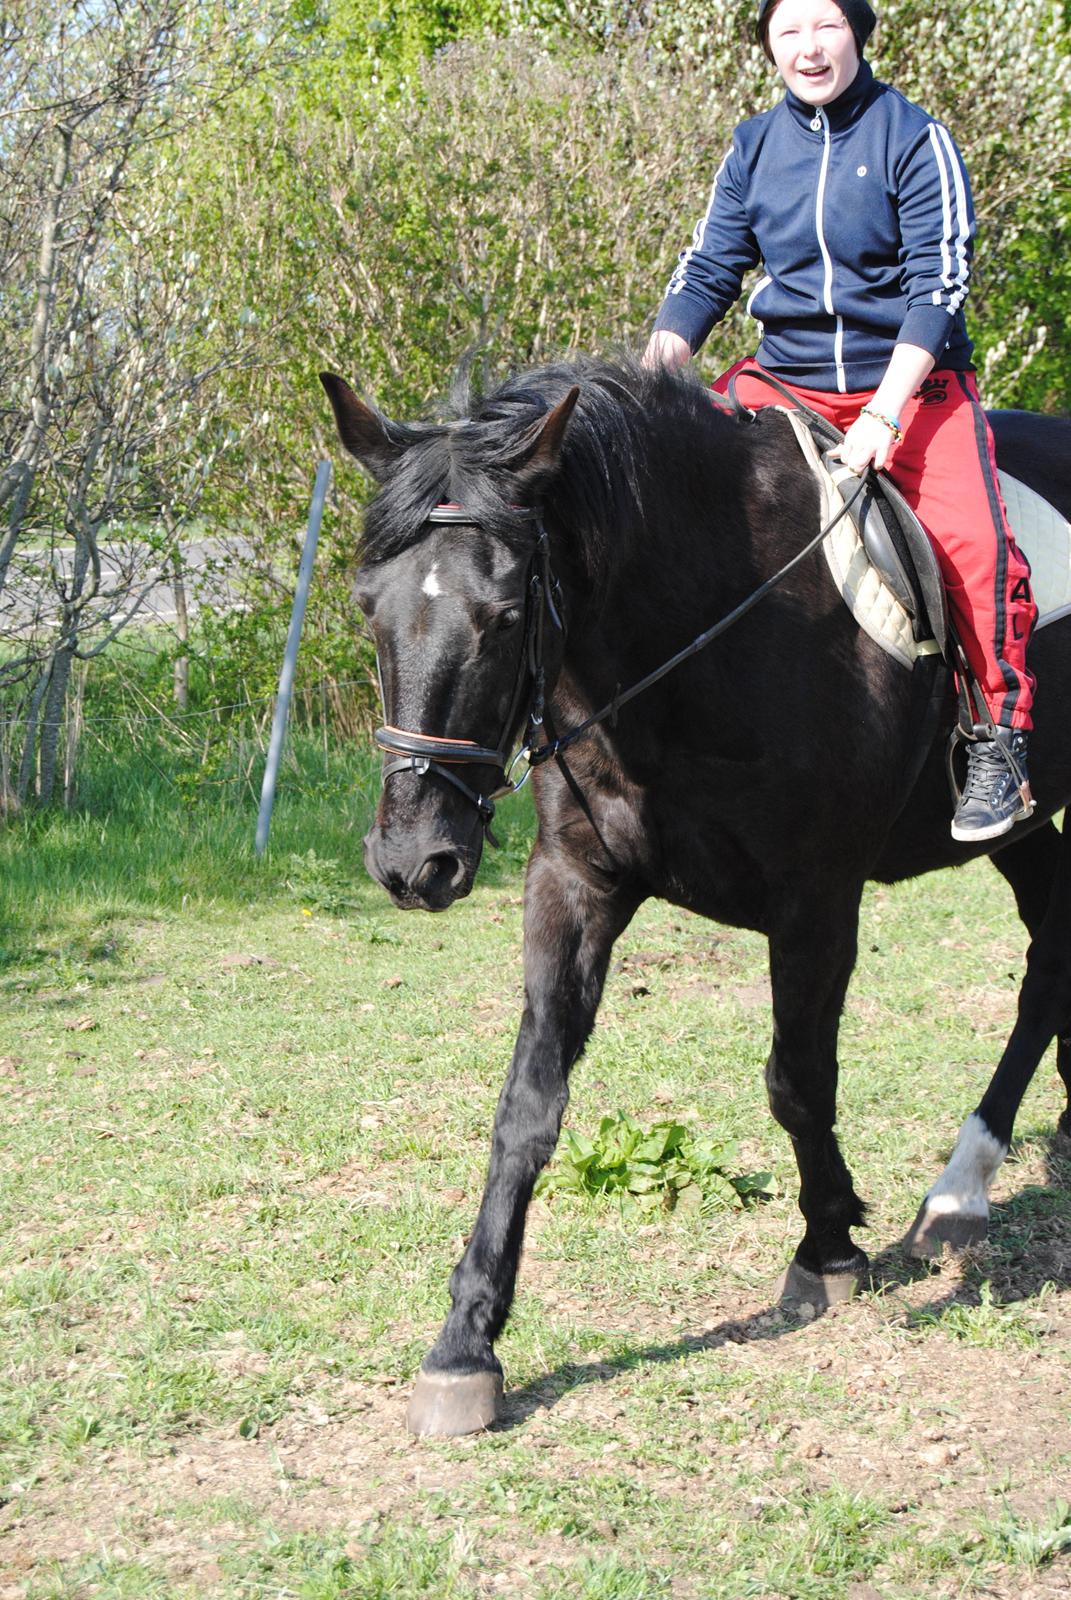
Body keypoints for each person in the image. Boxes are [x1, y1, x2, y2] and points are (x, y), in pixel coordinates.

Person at [643, 0, 1037, 842]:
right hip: (779, 384)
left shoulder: (911, 136)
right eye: (787, 32)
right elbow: (711, 265)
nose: (807, 47)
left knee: (977, 553)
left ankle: (996, 742)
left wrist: (884, 418)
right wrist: (659, 362)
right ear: (768, 48)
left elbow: (937, 290)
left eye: (823, 26)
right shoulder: (752, 146)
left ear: (856, 32)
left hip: (910, 390)